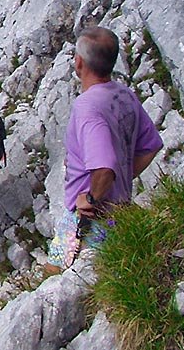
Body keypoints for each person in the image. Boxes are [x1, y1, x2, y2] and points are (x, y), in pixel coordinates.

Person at [46, 26, 163, 270]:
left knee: (57, 277)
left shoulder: (88, 107)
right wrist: (122, 176)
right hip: (118, 212)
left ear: (79, 62)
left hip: (88, 220)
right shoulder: (123, 95)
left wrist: (93, 196)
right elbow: (151, 145)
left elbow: (104, 167)